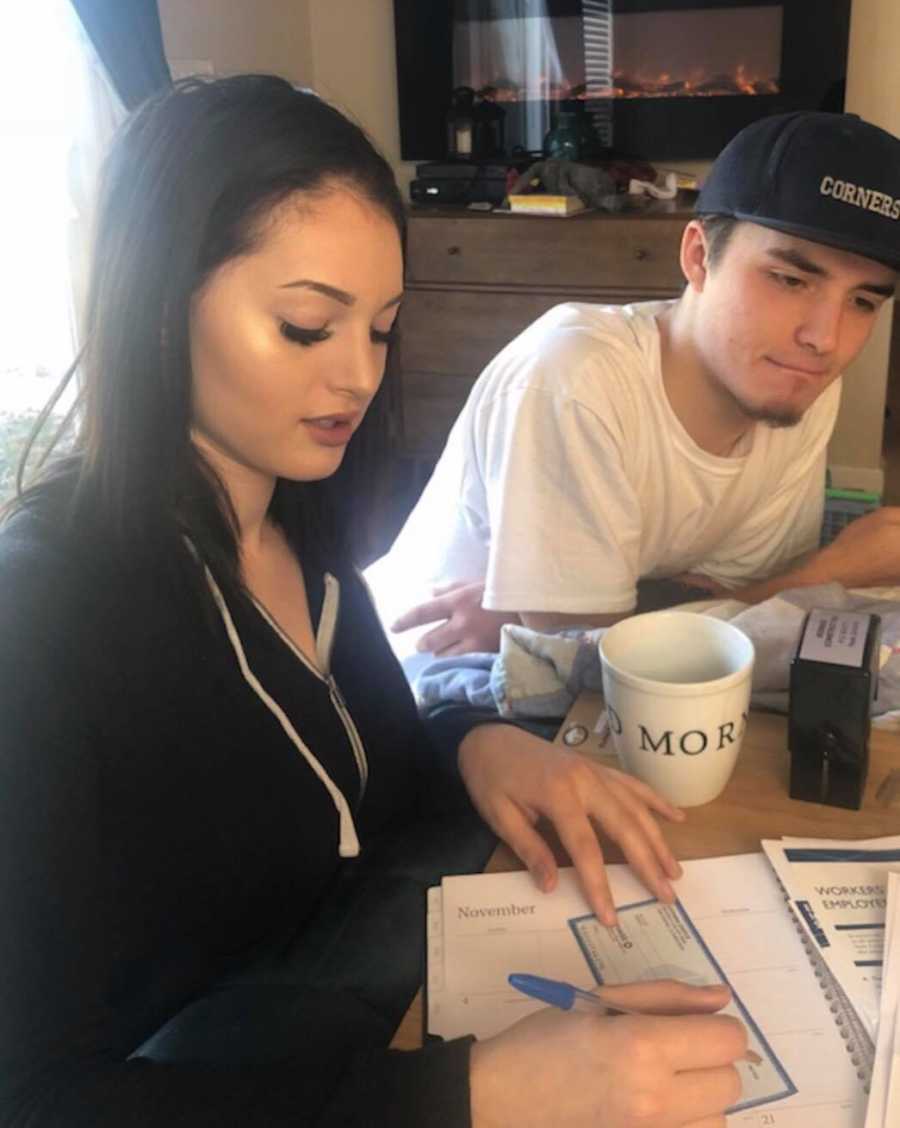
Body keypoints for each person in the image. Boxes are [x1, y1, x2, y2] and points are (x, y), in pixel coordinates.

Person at [0, 76, 747, 1126]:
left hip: (369, 1011)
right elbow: (40, 1100)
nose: (356, 376)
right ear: (155, 301)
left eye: (383, 329)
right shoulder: (41, 618)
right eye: (308, 328)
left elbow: (370, 775)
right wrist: (470, 1095)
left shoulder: (298, 532)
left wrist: (479, 741)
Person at [369, 111, 900, 660]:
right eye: (790, 279)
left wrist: (560, 611)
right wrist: (833, 570)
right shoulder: (575, 379)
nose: (825, 339)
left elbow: (734, 611)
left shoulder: (800, 388)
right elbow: (585, 660)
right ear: (698, 256)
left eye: (863, 301)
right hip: (414, 681)